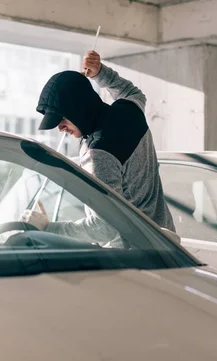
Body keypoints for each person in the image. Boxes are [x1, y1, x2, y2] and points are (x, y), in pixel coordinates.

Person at [20, 51, 175, 244]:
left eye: (62, 119)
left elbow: (105, 228)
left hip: (132, 257)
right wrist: (100, 73)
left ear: (79, 108)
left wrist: (48, 229)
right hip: (167, 243)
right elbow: (132, 92)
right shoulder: (130, 111)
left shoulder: (98, 153)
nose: (60, 128)